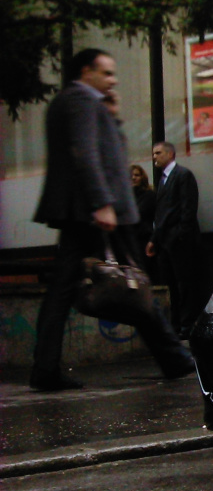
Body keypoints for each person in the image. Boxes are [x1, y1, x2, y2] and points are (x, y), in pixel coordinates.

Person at [29, 48, 193, 391]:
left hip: (85, 210)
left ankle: (45, 367)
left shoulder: (75, 101)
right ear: (86, 71)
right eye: (106, 73)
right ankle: (174, 357)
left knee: (78, 287)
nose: (113, 80)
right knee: (132, 281)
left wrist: (113, 117)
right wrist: (102, 203)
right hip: (97, 211)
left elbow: (100, 149)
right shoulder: (81, 101)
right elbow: (86, 153)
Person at [147, 140, 203, 338]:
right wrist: (155, 239)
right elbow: (161, 213)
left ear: (170, 154)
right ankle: (178, 324)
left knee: (185, 283)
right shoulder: (163, 180)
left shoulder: (182, 175)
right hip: (166, 242)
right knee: (172, 284)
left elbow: (188, 208)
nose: (154, 157)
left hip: (179, 241)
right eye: (154, 153)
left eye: (158, 153)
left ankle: (187, 325)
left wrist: (180, 235)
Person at [130, 163, 157, 278]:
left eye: (137, 175)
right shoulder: (128, 197)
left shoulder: (149, 195)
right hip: (130, 240)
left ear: (142, 178)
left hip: (143, 240)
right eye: (131, 175)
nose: (133, 178)